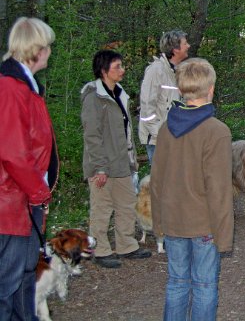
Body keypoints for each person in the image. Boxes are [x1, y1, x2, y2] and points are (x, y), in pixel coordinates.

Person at [151, 58, 234, 320]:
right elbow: (219, 190)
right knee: (205, 285)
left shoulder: (166, 129)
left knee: (177, 282)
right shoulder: (217, 131)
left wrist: (158, 222)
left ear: (181, 90)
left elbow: (156, 181)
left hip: (173, 221)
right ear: (211, 89)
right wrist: (224, 235)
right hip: (204, 224)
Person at [0, 17, 59, 319]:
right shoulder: (10, 87)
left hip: (23, 201)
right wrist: (39, 193)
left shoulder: (26, 86)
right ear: (37, 50)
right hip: (11, 204)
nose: (50, 51)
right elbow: (13, 153)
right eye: (48, 46)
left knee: (23, 278)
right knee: (6, 285)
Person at [81, 50, 151, 268]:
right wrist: (99, 168)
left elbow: (126, 132)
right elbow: (92, 135)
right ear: (104, 70)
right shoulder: (94, 97)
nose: (122, 70)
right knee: (102, 208)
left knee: (126, 205)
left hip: (122, 162)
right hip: (102, 164)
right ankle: (100, 250)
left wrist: (132, 160)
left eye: (122, 65)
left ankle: (126, 245)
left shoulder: (120, 94)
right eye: (117, 66)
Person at [138, 29, 190, 165]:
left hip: (175, 139)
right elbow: (146, 109)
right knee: (162, 178)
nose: (188, 46)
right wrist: (160, 134)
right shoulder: (156, 70)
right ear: (175, 49)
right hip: (159, 142)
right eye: (185, 43)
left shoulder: (178, 72)